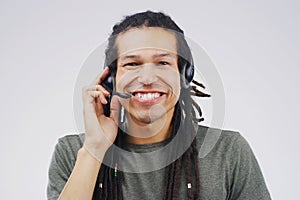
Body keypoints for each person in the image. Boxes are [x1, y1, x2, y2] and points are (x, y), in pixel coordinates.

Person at [47, 11, 272, 200]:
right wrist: (95, 149)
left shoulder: (229, 151)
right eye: (132, 63)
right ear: (110, 79)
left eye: (163, 62)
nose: (146, 78)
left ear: (185, 75)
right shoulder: (73, 152)